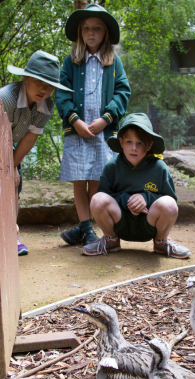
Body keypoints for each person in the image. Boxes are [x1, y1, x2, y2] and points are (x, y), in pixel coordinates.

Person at [55, 3, 131, 247]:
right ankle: (86, 229)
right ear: (80, 31)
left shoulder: (113, 62)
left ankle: (84, 226)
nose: (91, 33)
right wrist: (74, 120)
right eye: (86, 28)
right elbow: (61, 94)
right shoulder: (71, 61)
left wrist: (106, 118)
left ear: (105, 32)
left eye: (97, 28)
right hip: (77, 131)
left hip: (102, 132)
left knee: (97, 177)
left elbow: (122, 92)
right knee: (79, 178)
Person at [81, 113, 191, 259]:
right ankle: (110, 240)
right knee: (97, 200)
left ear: (150, 144)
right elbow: (104, 198)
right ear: (120, 142)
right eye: (129, 142)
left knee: (169, 205)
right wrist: (128, 201)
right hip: (121, 224)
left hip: (149, 224)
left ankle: (161, 243)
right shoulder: (111, 167)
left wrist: (145, 197)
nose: (134, 148)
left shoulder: (159, 168)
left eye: (140, 143)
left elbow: (170, 200)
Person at [0, 50, 73, 256]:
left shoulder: (46, 106)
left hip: (10, 148)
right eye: (39, 81)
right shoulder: (5, 98)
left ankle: (10, 235)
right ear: (25, 77)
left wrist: (12, 167)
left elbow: (29, 138)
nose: (44, 88)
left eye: (49, 85)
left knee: (15, 185)